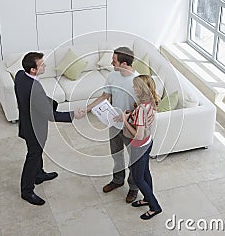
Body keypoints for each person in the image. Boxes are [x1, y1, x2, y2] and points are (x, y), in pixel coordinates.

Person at [14, 52, 83, 205]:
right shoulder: (34, 89)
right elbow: (51, 116)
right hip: (35, 128)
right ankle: (27, 190)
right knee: (33, 155)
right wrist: (73, 115)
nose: (45, 66)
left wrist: (48, 102)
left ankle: (39, 174)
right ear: (33, 69)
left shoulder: (20, 76)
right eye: (42, 64)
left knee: (37, 151)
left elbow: (32, 101)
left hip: (26, 122)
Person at [83, 47, 140, 203]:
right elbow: (105, 96)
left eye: (114, 61)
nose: (111, 62)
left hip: (130, 128)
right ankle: (118, 179)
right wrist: (87, 108)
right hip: (114, 125)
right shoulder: (113, 76)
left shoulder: (138, 81)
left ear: (124, 63)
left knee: (133, 160)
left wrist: (127, 117)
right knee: (116, 155)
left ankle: (133, 187)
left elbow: (143, 108)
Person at [122, 75, 162, 220]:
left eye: (136, 86)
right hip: (148, 142)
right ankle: (147, 198)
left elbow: (138, 135)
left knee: (138, 178)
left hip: (139, 146)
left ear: (142, 89)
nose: (133, 88)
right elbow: (143, 126)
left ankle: (154, 206)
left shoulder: (141, 109)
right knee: (145, 172)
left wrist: (125, 121)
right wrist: (131, 115)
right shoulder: (150, 102)